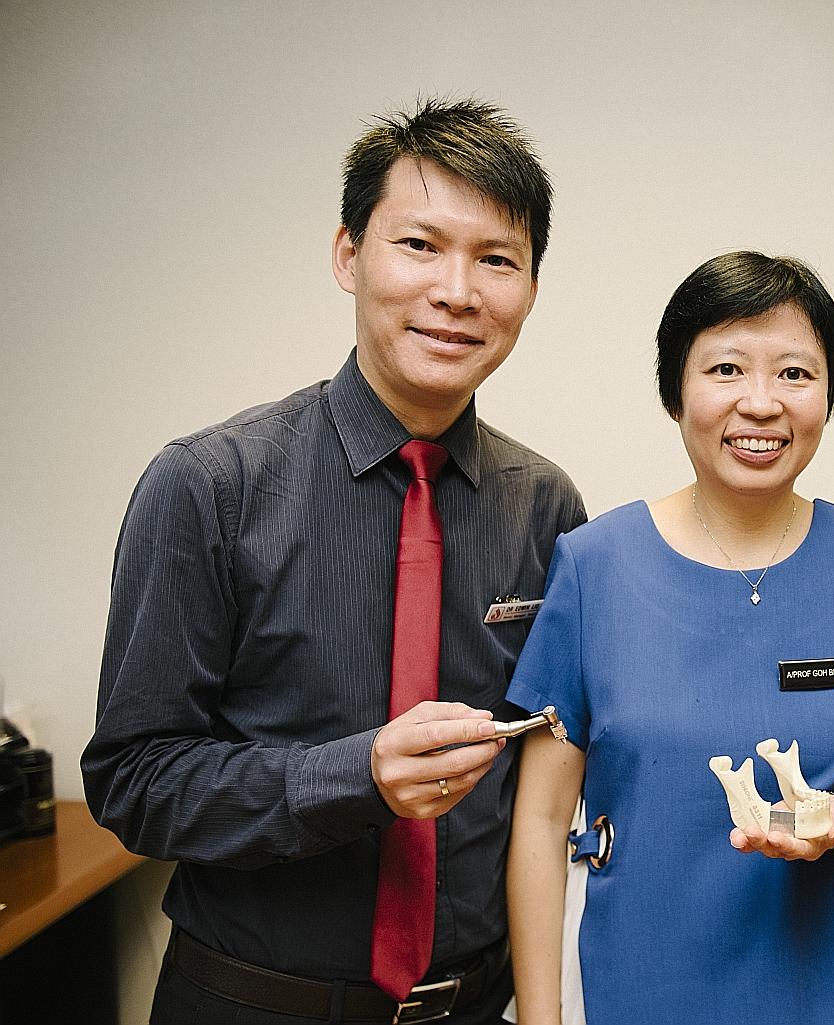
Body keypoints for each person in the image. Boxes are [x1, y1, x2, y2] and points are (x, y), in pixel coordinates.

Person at [82, 99, 584, 1025]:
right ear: (349, 255)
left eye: (497, 260)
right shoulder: (208, 485)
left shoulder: (544, 504)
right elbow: (132, 780)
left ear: (532, 288)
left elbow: (549, 777)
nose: (458, 290)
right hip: (251, 1002)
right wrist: (354, 777)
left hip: (475, 1006)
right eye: (421, 245)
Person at [505, 251, 834, 1024]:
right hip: (639, 992)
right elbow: (543, 817)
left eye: (795, 373)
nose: (761, 404)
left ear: (830, 394)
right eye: (725, 368)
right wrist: (539, 1018)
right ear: (676, 390)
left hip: (828, 996)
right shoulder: (596, 565)